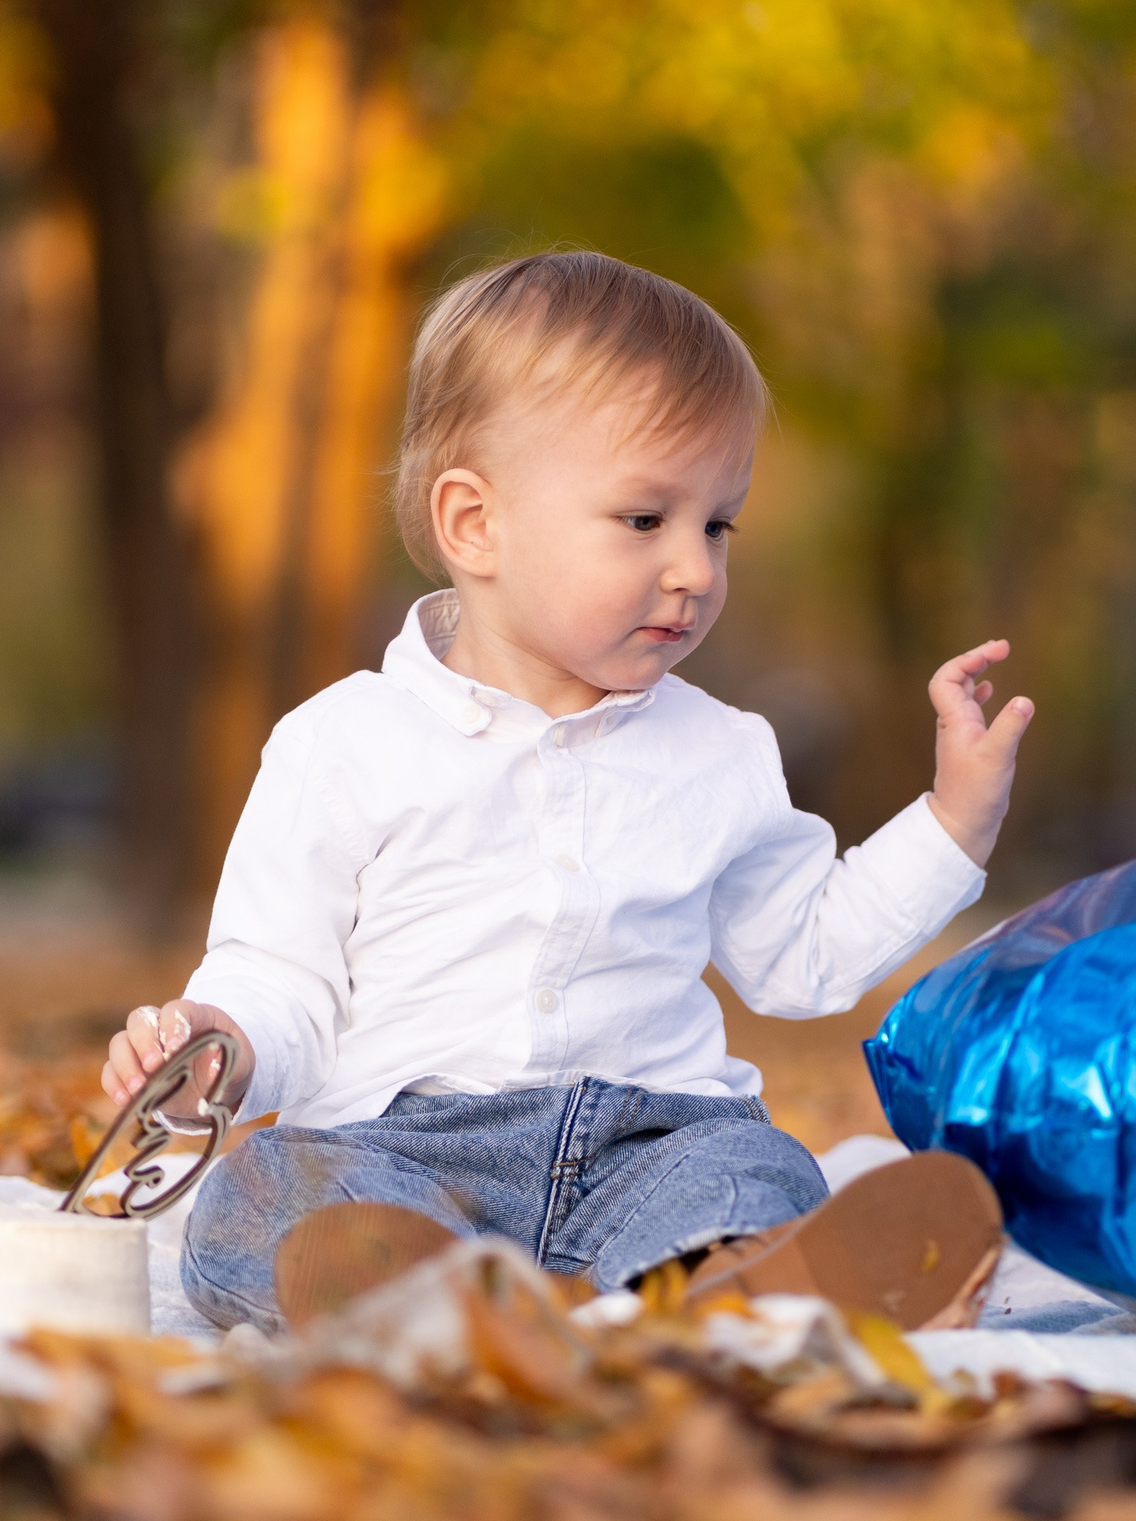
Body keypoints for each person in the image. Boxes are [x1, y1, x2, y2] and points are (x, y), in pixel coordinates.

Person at [103, 250, 1035, 1336]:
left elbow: (801, 956)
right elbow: (284, 974)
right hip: (403, 1148)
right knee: (264, 1196)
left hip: (648, 1145)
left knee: (753, 1167)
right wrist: (220, 1041)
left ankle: (730, 1281)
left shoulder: (722, 750)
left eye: (716, 523)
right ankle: (430, 1297)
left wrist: (951, 820)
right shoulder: (341, 743)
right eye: (645, 520)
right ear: (474, 525)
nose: (693, 566)